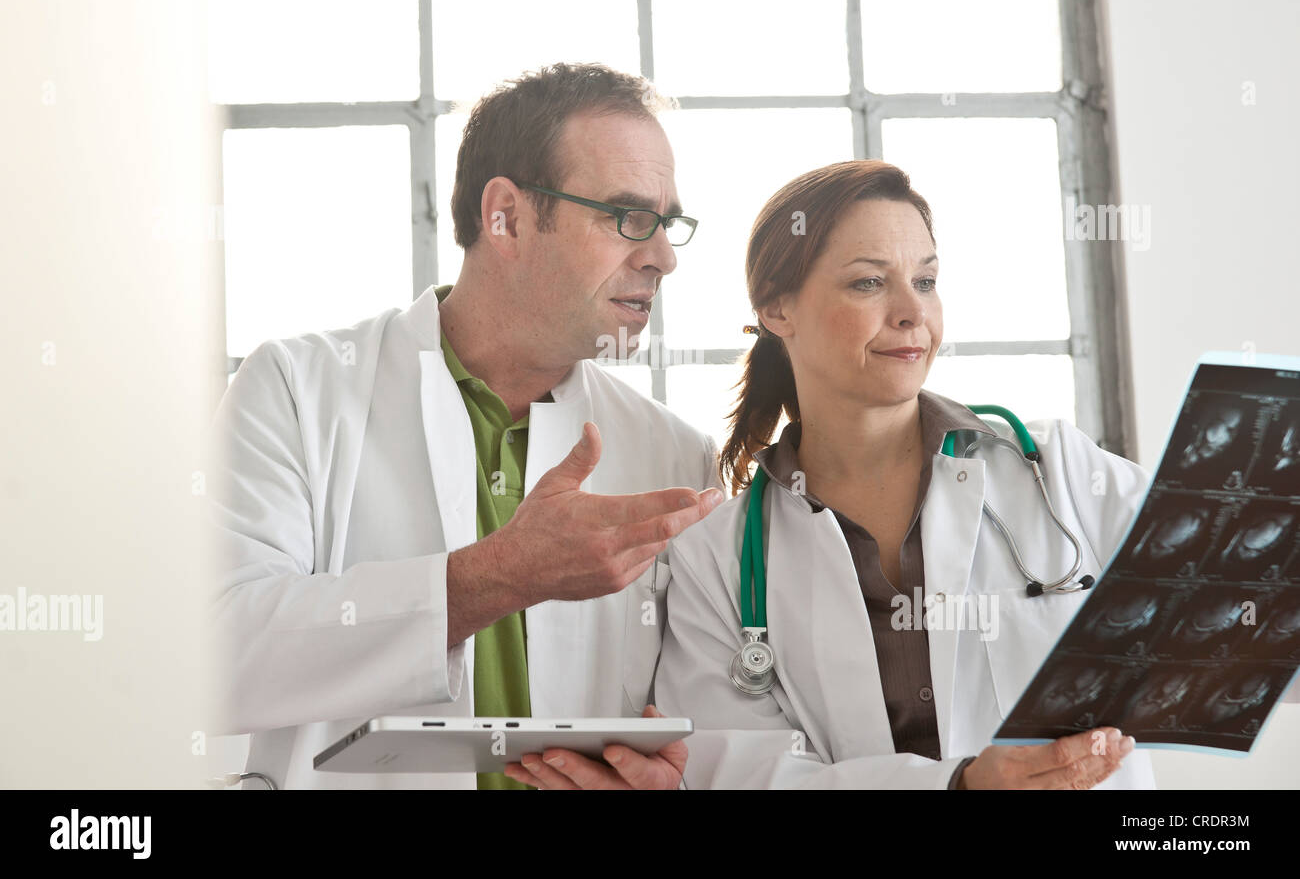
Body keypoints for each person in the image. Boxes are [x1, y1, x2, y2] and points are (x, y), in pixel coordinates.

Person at [207, 63, 723, 790]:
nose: (663, 257)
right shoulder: (297, 390)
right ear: (505, 216)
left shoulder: (676, 455)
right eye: (628, 217)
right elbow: (213, 656)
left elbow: (700, 726)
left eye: (668, 225)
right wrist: (496, 578)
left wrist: (660, 781)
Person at [653, 159, 1157, 789]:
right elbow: (737, 775)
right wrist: (959, 787)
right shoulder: (716, 562)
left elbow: (1240, 612)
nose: (910, 312)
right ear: (778, 309)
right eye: (868, 283)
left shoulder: (1060, 475)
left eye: (925, 280)